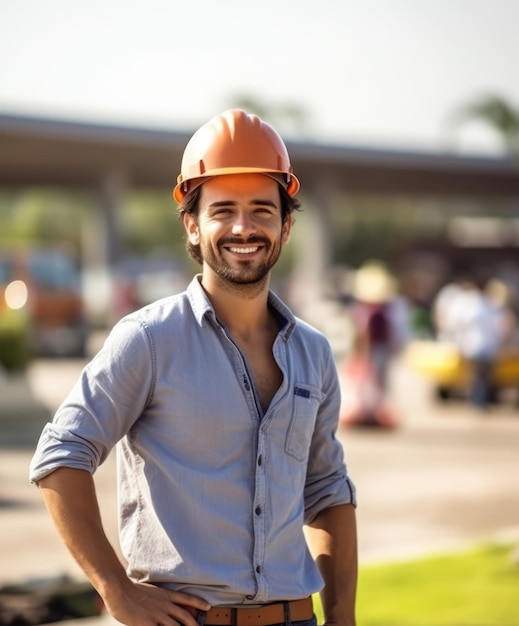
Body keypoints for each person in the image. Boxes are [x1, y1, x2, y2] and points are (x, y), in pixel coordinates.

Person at [29, 110, 358, 626]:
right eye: (223, 210)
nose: (243, 228)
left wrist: (343, 616)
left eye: (262, 211)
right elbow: (60, 454)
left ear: (286, 225)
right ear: (192, 224)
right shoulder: (149, 339)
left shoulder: (312, 353)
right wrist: (116, 591)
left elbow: (327, 490)